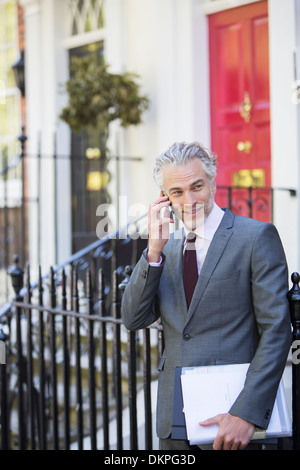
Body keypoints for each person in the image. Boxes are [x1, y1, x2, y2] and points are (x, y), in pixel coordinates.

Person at [121, 141, 291, 451]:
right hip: (175, 419)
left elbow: (277, 331)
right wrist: (153, 250)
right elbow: (133, 319)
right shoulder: (166, 250)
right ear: (165, 198)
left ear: (212, 181)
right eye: (177, 192)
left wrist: (246, 412)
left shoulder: (255, 237)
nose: (189, 200)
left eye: (196, 186)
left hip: (232, 417)